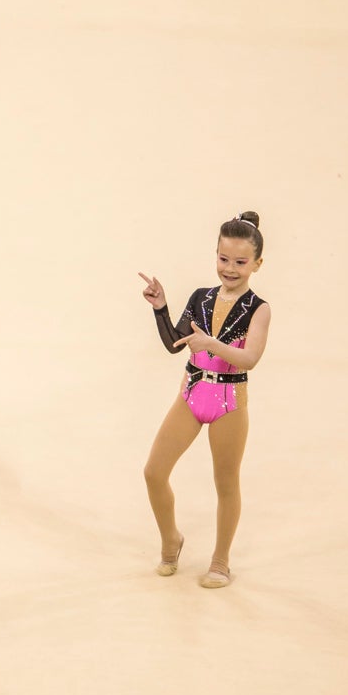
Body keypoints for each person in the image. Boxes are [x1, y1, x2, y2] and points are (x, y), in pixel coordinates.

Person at [139, 211, 272, 588]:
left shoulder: (259, 309)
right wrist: (161, 307)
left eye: (240, 262)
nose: (230, 268)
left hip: (230, 401)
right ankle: (171, 539)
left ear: (257, 264)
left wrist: (212, 344)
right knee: (153, 472)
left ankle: (220, 559)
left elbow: (250, 359)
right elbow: (174, 344)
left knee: (226, 482)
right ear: (215, 254)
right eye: (223, 259)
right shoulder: (201, 298)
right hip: (192, 393)